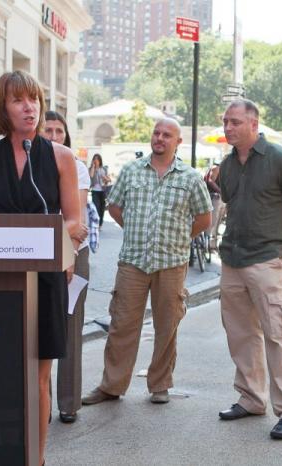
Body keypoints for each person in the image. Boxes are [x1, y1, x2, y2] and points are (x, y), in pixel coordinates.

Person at [0, 71, 85, 465]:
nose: (29, 107)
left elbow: (74, 222)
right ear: (3, 108)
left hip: (45, 281)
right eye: (18, 100)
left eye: (33, 99)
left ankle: (36, 459)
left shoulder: (61, 157)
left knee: (39, 377)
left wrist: (59, 245)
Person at [81, 118, 211, 407]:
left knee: (167, 327)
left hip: (171, 263)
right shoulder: (131, 171)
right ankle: (111, 386)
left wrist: (181, 238)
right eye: (156, 133)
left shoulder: (190, 178)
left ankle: (160, 384)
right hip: (133, 262)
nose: (160, 138)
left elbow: (204, 218)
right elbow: (114, 207)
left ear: (178, 142)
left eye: (167, 135)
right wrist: (135, 230)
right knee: (122, 325)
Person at [216, 99, 282, 440]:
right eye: (226, 121)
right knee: (241, 334)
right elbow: (231, 204)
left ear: (254, 124)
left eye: (235, 122)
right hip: (232, 259)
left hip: (267, 259)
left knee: (277, 335)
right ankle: (252, 398)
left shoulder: (281, 159)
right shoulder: (227, 166)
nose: (228, 127)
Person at [42, 110, 90, 424]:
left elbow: (78, 220)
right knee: (37, 328)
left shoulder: (78, 166)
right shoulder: (28, 164)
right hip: (36, 252)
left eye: (60, 131)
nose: (55, 136)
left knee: (71, 328)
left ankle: (68, 403)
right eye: (49, 131)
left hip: (73, 252)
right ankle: (39, 402)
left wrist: (69, 255)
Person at [204, 161, 224, 249]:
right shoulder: (216, 167)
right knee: (213, 221)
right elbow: (210, 180)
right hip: (214, 197)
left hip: (220, 198)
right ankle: (207, 243)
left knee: (217, 221)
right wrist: (220, 191)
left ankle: (212, 244)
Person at [89, 153, 110, 227]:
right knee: (96, 207)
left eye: (97, 159)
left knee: (102, 208)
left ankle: (100, 224)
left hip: (103, 191)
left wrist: (105, 178)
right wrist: (93, 167)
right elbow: (91, 176)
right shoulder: (91, 169)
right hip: (95, 191)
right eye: (94, 159)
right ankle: (96, 223)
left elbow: (108, 180)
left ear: (100, 160)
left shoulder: (104, 169)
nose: (96, 161)